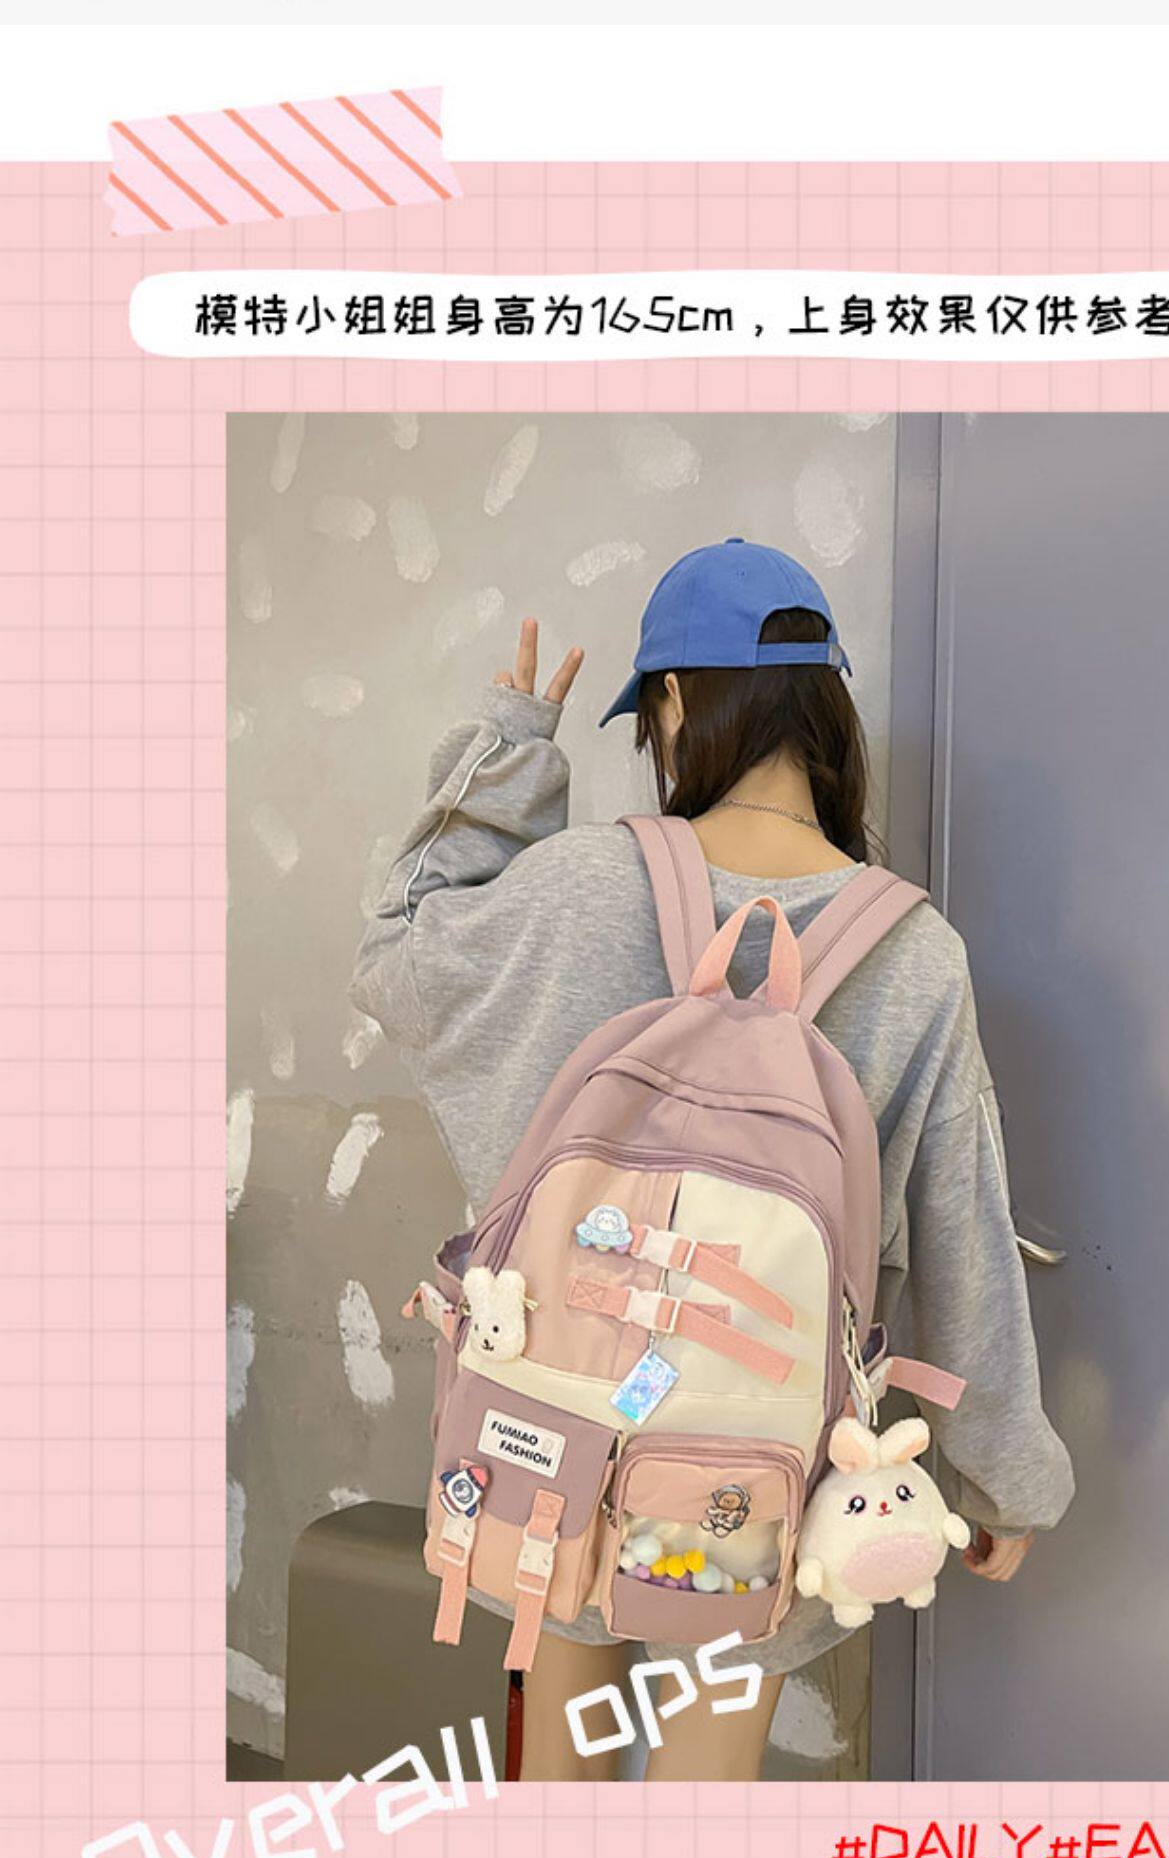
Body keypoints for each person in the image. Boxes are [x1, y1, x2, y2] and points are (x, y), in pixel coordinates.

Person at [351, 537, 1074, 1782]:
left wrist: (510, 757)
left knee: (557, 1745)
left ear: (675, 700)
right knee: (704, 1782)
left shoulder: (576, 887)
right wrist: (1002, 1481)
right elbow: (963, 1237)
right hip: (762, 1469)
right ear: (825, 705)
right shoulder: (918, 956)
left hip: (551, 1434)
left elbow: (396, 955)